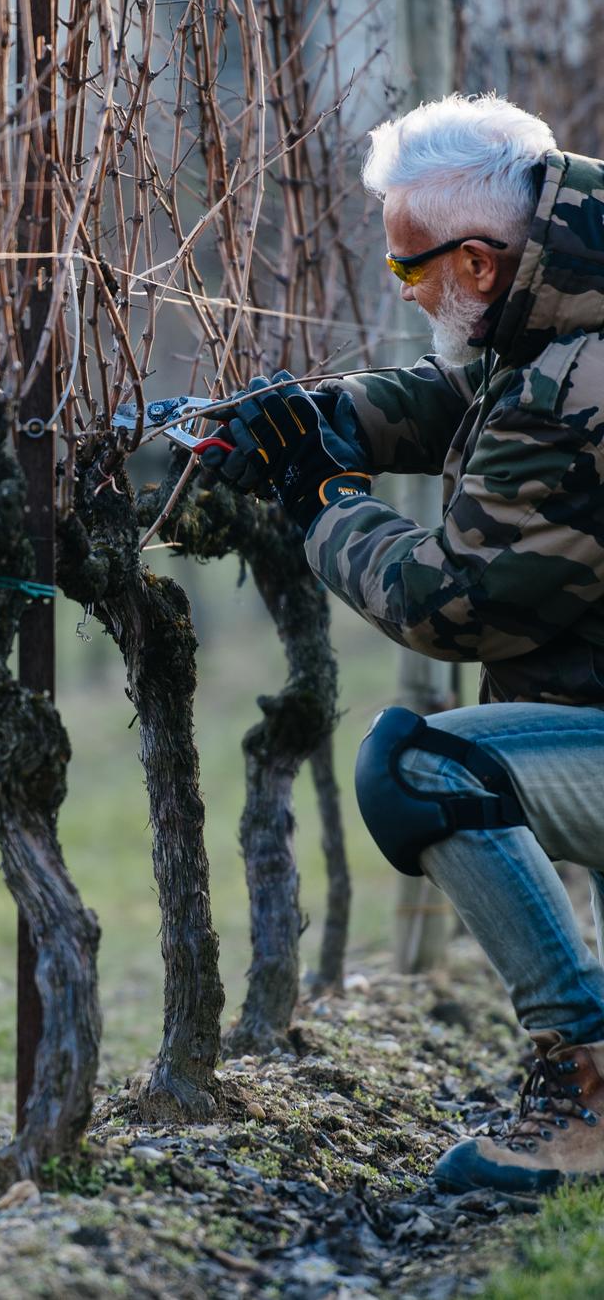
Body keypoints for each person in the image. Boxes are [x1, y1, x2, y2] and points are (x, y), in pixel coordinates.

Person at [202, 93, 604, 1196]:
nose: (411, 292)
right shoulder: (571, 312)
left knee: (419, 767)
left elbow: (457, 605)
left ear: (476, 263)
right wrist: (323, 418)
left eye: (408, 270)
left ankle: (587, 1076)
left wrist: (317, 503)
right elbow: (463, 398)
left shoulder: (580, 379)